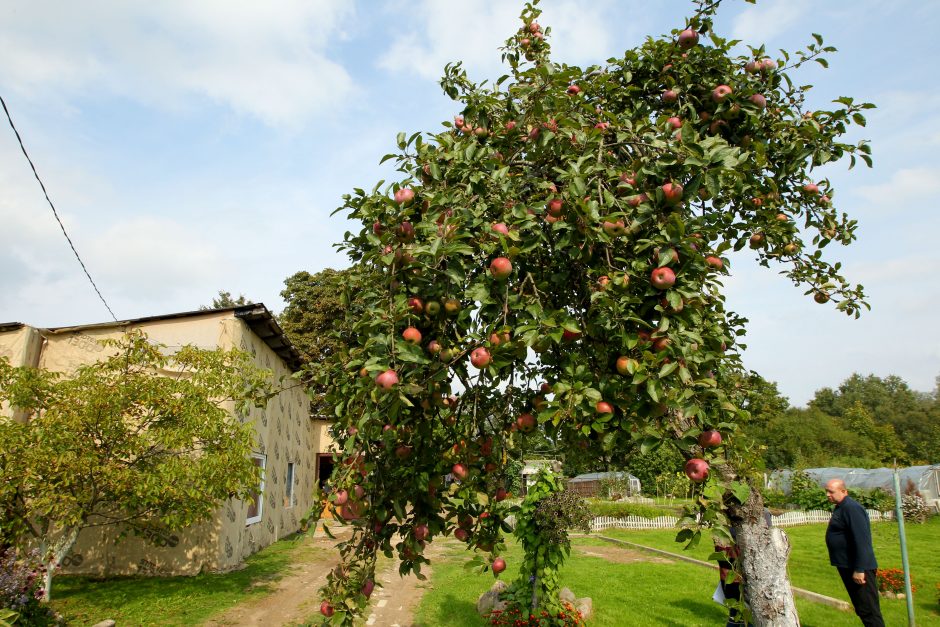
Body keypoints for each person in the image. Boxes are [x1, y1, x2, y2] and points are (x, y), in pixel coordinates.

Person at [824, 478, 885, 627]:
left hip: (858, 568)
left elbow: (862, 539)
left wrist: (859, 569)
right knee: (862, 608)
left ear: (844, 491)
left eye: (831, 491)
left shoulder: (852, 508)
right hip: (847, 565)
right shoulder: (841, 507)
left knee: (868, 609)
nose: (827, 495)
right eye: (826, 491)